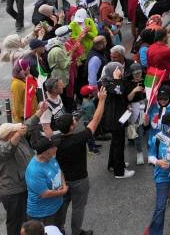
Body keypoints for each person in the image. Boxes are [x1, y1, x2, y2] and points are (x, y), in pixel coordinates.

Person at [53, 86, 106, 235]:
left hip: (63, 179)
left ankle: (58, 230)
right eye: (73, 120)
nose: (75, 120)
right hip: (80, 180)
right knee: (78, 207)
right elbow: (95, 121)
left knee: (62, 205)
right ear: (71, 126)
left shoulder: (55, 141)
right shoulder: (78, 139)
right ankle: (76, 232)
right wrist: (102, 100)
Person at [0, 121, 33, 235]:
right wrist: (18, 135)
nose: (20, 132)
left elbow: (29, 124)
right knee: (15, 223)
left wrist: (39, 113)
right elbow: (5, 151)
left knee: (26, 220)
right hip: (13, 192)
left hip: (23, 187)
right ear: (9, 135)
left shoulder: (16, 139)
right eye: (16, 131)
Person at [24, 136, 68, 227]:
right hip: (43, 214)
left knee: (60, 227)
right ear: (45, 152)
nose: (56, 148)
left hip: (57, 204)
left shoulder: (51, 157)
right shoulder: (34, 171)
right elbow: (44, 194)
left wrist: (63, 185)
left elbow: (59, 171)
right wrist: (62, 191)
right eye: (53, 147)